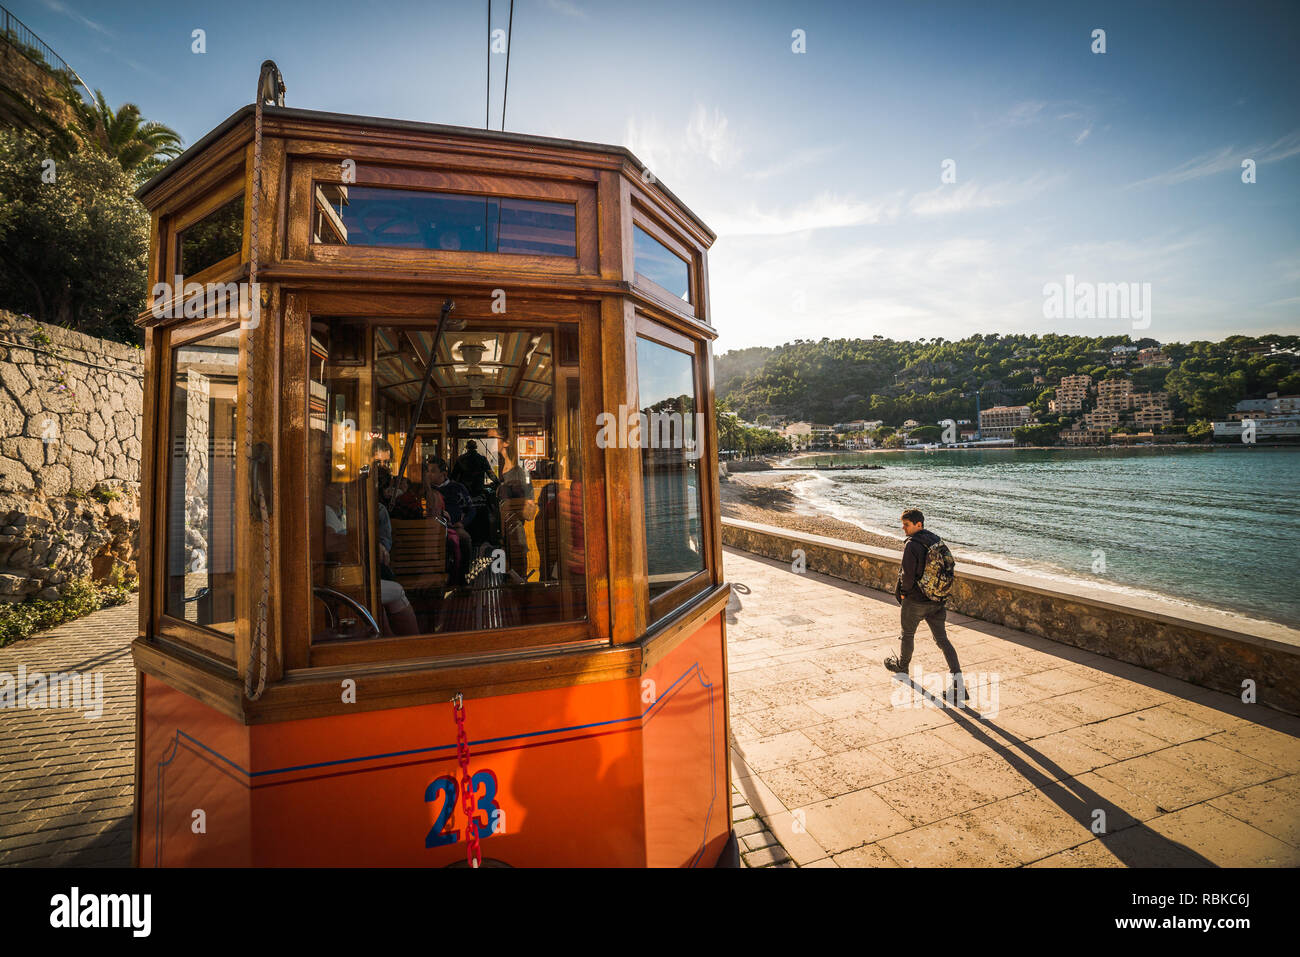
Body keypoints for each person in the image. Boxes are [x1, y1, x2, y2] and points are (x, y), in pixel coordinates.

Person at [884, 508, 968, 705]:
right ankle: (959, 685)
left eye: (906, 525)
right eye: (903, 524)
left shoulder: (912, 545)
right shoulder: (935, 540)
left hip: (915, 601)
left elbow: (907, 574)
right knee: (943, 640)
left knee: (907, 635)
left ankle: (902, 668)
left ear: (918, 524)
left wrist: (904, 592)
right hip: (937, 600)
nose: (903, 528)